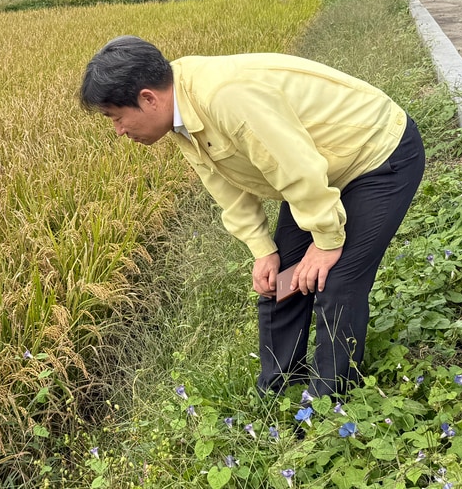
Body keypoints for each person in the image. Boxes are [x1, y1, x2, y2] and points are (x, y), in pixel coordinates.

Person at [80, 36, 424, 397]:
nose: (119, 131)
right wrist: (263, 249)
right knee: (280, 280)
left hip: (376, 153)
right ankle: (277, 391)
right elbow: (225, 185)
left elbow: (297, 169)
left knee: (335, 281)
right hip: (320, 171)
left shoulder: (226, 97)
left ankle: (330, 405)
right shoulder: (179, 111)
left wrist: (326, 240)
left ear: (148, 98)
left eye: (117, 118)